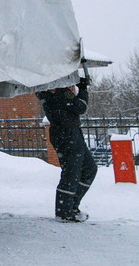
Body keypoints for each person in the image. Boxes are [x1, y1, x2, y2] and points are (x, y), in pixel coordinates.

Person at [36, 79, 96, 222]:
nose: (71, 86)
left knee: (89, 169)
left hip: (71, 133)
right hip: (67, 134)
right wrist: (83, 89)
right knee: (71, 173)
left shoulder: (53, 94)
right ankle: (64, 211)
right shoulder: (57, 94)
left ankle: (71, 205)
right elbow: (81, 107)